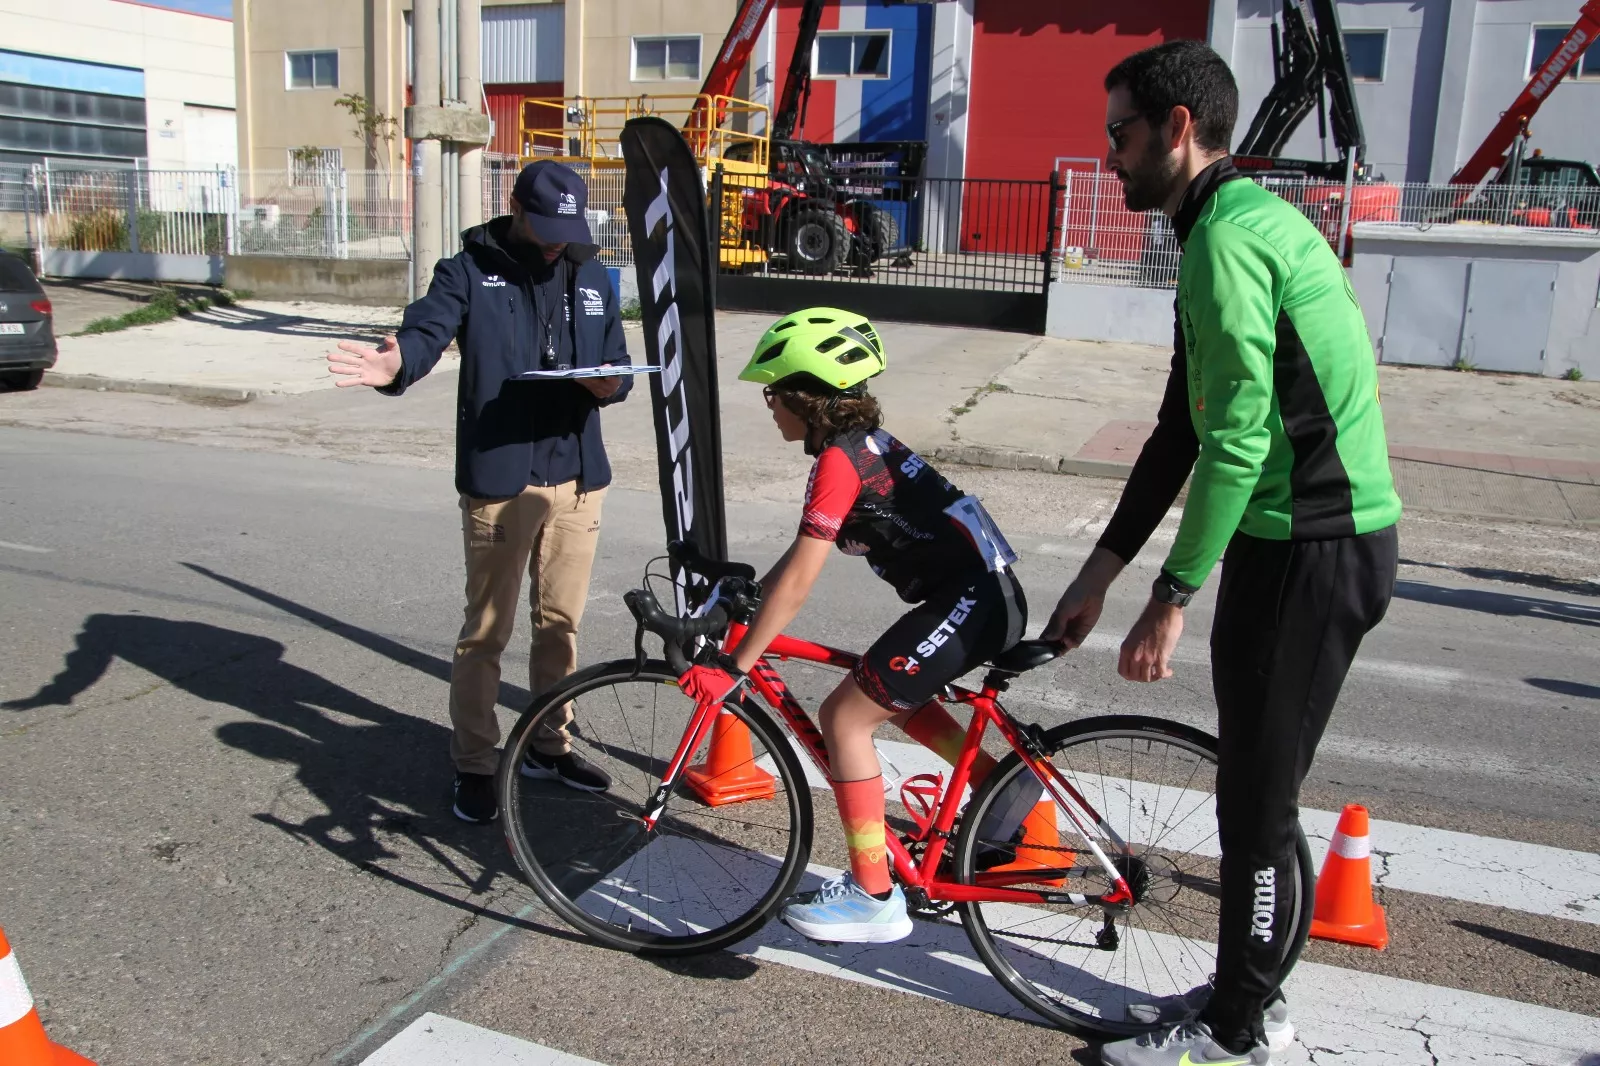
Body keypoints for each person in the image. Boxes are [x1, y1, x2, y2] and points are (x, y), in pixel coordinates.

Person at [1041, 41, 1402, 1066]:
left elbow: (1237, 438)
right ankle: (1254, 992)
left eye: (1119, 132)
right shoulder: (1232, 223)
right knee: (1258, 791)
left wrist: (1172, 593)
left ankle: (1234, 1034)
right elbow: (1179, 429)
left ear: (1177, 128)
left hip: (1311, 547)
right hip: (1297, 541)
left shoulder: (1227, 241)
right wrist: (1100, 574)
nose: (1108, 154)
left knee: (1254, 803)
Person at [679, 307, 1027, 944]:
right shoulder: (862, 445)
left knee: (843, 717)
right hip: (983, 595)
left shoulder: (839, 464)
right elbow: (797, 559)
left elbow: (802, 578)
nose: (769, 406)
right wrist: (750, 598)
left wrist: (734, 667)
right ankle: (998, 786)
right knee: (884, 690)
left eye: (773, 393)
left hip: (973, 602)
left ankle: (873, 895)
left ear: (804, 397)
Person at [327, 160, 634, 825]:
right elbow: (426, 332)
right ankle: (474, 762)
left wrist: (611, 383)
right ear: (516, 209)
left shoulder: (591, 275)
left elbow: (617, 363)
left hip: (578, 475)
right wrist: (395, 364)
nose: (557, 242)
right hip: (501, 478)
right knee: (487, 633)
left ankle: (549, 746)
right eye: (545, 227)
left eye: (567, 229)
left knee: (561, 627)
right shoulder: (467, 270)